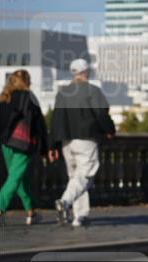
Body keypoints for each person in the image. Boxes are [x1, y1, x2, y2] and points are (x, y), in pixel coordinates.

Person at [50, 58, 116, 227]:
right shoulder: (92, 90)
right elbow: (101, 114)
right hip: (86, 138)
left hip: (66, 141)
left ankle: (80, 216)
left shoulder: (62, 92)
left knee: (75, 177)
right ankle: (65, 201)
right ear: (86, 72)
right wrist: (110, 130)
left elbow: (55, 120)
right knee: (85, 176)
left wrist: (52, 145)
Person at [0, 70, 54, 225]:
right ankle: (0, 206)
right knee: (15, 177)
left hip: (5, 143)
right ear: (27, 81)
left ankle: (31, 211)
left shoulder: (4, 97)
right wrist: (44, 149)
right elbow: (40, 125)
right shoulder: (30, 98)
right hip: (23, 143)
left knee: (17, 177)